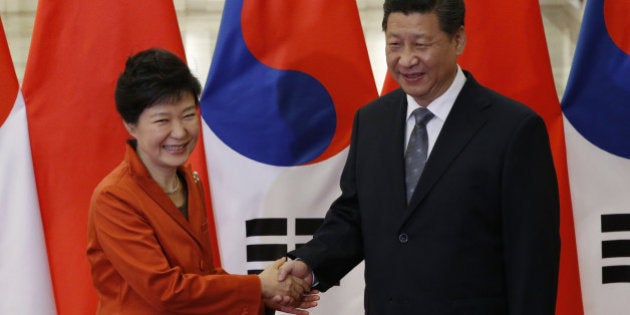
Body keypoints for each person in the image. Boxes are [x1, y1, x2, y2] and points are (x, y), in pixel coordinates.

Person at [278, 0, 560, 314]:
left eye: (422, 44)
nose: (407, 59)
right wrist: (310, 264)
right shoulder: (373, 121)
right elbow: (354, 215)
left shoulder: (514, 129)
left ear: (458, 39)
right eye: (395, 45)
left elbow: (532, 257)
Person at [87, 48, 317, 315]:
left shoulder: (189, 181)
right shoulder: (114, 197)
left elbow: (201, 275)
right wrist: (257, 287)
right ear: (130, 125)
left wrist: (265, 293)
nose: (180, 132)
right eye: (163, 120)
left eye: (187, 115)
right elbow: (166, 291)